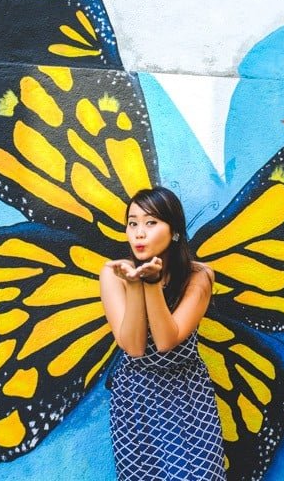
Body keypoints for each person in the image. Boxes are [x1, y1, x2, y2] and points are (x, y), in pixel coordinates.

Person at [100, 186, 227, 480]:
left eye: (151, 222)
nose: (139, 233)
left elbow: (167, 340)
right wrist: (134, 285)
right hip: (136, 395)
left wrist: (152, 284)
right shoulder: (114, 273)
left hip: (188, 392)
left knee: (201, 474)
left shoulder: (199, 276)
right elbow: (133, 347)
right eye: (132, 223)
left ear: (174, 232)